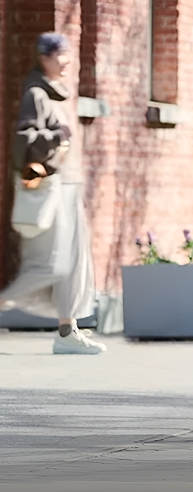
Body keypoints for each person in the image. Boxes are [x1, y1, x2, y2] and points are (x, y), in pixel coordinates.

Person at [1, 33, 103, 355]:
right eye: (61, 55)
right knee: (51, 265)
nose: (68, 60)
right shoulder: (36, 93)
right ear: (45, 57)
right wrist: (57, 135)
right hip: (50, 189)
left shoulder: (57, 93)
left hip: (68, 188)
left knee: (74, 263)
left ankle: (66, 332)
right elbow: (23, 143)